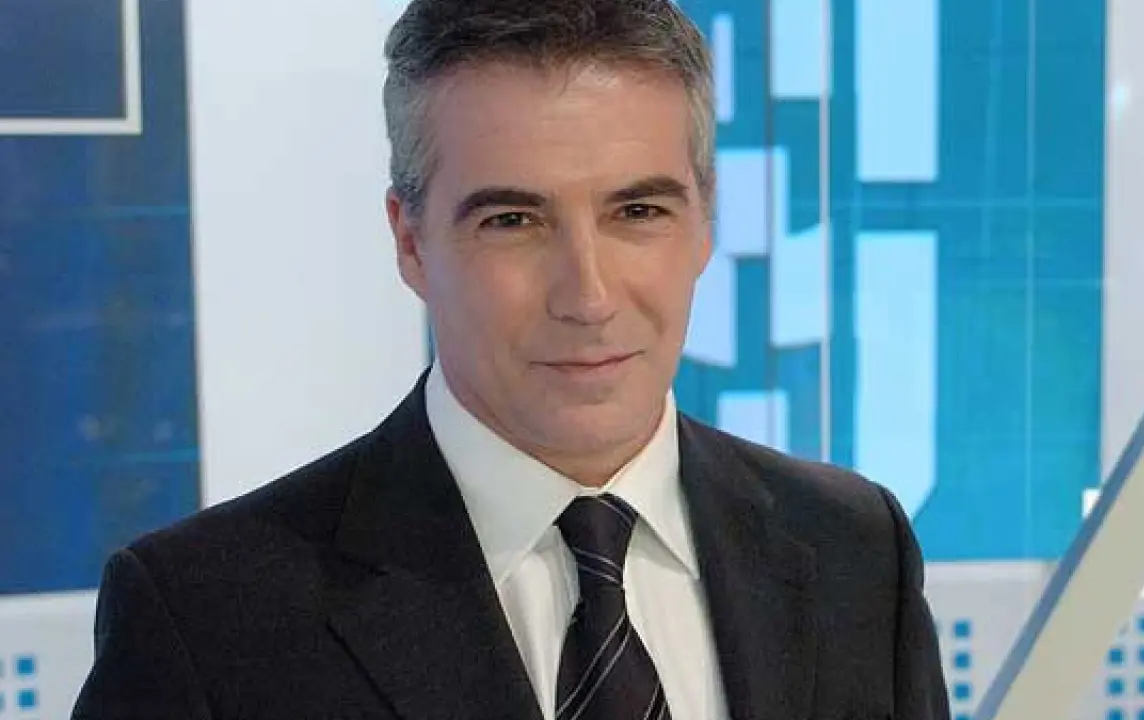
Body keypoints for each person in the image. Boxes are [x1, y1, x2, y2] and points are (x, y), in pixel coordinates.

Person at [72, 1, 950, 718]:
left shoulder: (854, 548)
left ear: (705, 218)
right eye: (513, 221)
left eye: (638, 212)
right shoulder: (205, 618)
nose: (589, 296)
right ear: (410, 242)